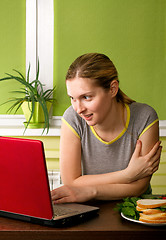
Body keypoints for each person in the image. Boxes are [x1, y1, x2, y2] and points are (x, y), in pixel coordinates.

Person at [51, 53, 162, 204]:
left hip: (135, 210)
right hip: (88, 210)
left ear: (112, 89)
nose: (78, 109)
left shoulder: (144, 117)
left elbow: (138, 187)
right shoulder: (72, 118)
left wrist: (91, 190)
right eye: (72, 98)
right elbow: (70, 182)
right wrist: (127, 175)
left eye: (87, 97)